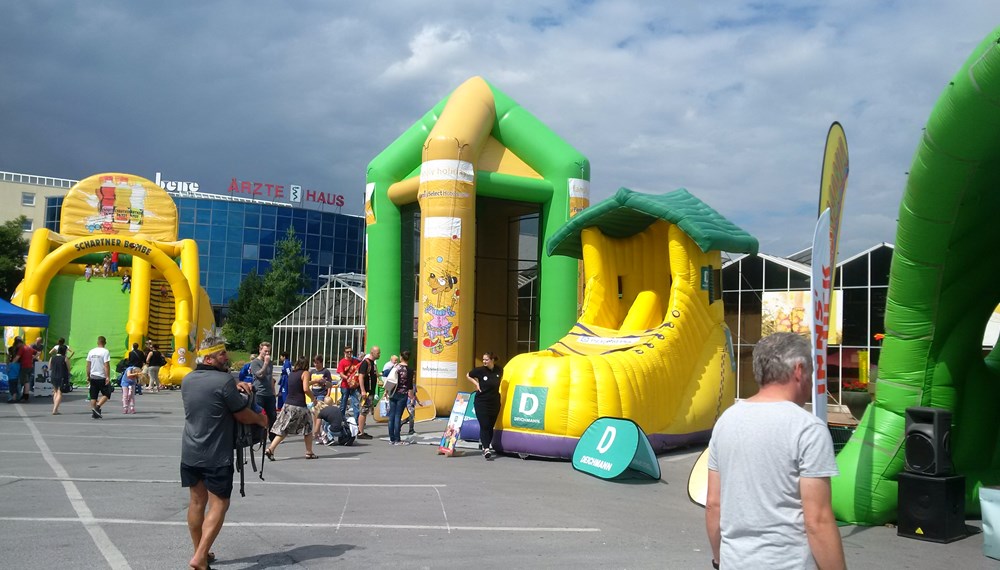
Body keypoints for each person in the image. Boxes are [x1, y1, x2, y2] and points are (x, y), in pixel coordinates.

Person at [705, 332, 845, 570]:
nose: (812, 381)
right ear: (799, 370)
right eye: (812, 372)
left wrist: (719, 559)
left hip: (735, 562)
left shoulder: (726, 421)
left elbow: (713, 504)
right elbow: (818, 520)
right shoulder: (807, 428)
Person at [181, 336, 266, 570]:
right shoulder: (224, 381)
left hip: (190, 451)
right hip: (216, 454)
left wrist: (235, 385)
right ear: (209, 358)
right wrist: (261, 419)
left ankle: (201, 553)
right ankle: (199, 558)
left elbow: (213, 401)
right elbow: (241, 414)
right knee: (219, 504)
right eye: (221, 354)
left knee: (197, 502)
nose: (226, 357)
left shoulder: (187, 380)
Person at [265, 356, 317, 460]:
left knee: (284, 429)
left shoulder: (292, 374)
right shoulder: (305, 373)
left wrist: (316, 381)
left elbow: (300, 384)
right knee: (308, 428)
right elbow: (305, 388)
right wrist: (313, 398)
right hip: (299, 405)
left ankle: (270, 449)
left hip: (288, 404)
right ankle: (309, 452)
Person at [467, 351, 503, 460]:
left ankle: (486, 445)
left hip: (494, 402)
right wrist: (476, 384)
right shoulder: (480, 370)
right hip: (481, 402)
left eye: (486, 360)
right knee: (485, 424)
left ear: (492, 360)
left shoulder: (499, 370)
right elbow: (468, 375)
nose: (484, 362)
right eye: (483, 360)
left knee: (491, 425)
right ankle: (486, 448)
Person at [249, 343, 277, 437]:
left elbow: (270, 377)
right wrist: (265, 363)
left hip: (269, 393)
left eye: (269, 351)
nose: (267, 353)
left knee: (272, 415)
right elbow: (259, 375)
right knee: (259, 415)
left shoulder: (270, 362)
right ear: (260, 350)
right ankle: (257, 435)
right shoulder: (255, 362)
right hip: (259, 392)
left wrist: (273, 392)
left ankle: (272, 436)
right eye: (265, 351)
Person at [387, 351, 414, 445]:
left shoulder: (396, 367)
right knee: (398, 416)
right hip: (403, 394)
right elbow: (410, 385)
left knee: (391, 416)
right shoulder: (410, 370)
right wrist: (412, 397)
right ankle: (397, 439)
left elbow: (388, 376)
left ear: (401, 357)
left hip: (393, 392)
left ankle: (391, 438)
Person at [356, 345, 381, 440]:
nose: (379, 354)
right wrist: (363, 390)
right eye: (378, 353)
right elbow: (361, 376)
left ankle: (361, 430)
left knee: (365, 411)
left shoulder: (373, 363)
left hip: (370, 392)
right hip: (365, 392)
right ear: (372, 352)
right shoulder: (366, 363)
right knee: (363, 410)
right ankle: (360, 432)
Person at [308, 355, 333, 441]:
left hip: (322, 394)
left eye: (317, 363)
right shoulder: (312, 372)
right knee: (314, 413)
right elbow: (308, 382)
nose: (315, 364)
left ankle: (317, 432)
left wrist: (327, 393)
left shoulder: (325, 371)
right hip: (313, 394)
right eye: (314, 362)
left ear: (321, 362)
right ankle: (317, 431)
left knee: (319, 413)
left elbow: (330, 384)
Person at [86, 336, 113, 419]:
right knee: (107, 393)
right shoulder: (105, 351)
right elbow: (106, 365)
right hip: (101, 376)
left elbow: (88, 365)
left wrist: (88, 375)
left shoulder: (91, 351)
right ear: (105, 342)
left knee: (93, 395)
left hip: (93, 375)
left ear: (97, 342)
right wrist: (107, 376)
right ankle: (97, 407)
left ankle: (94, 412)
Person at [336, 346, 361, 421]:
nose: (349, 353)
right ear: (344, 353)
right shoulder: (342, 362)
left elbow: (359, 371)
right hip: (345, 385)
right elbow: (341, 373)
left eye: (351, 352)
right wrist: (347, 378)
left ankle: (357, 421)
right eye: (347, 352)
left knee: (355, 403)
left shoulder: (356, 361)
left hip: (354, 385)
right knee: (343, 403)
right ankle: (341, 419)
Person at [50, 344, 71, 415]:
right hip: (61, 376)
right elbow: (68, 368)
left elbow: (50, 367)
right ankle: (55, 409)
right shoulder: (65, 358)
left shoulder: (52, 357)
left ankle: (55, 408)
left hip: (53, 375)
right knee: (59, 392)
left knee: (55, 391)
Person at [6, 337, 25, 403]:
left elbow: (8, 358)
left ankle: (12, 396)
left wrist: (7, 365)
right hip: (19, 365)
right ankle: (18, 396)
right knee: (18, 382)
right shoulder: (21, 349)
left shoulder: (10, 349)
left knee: (12, 381)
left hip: (11, 365)